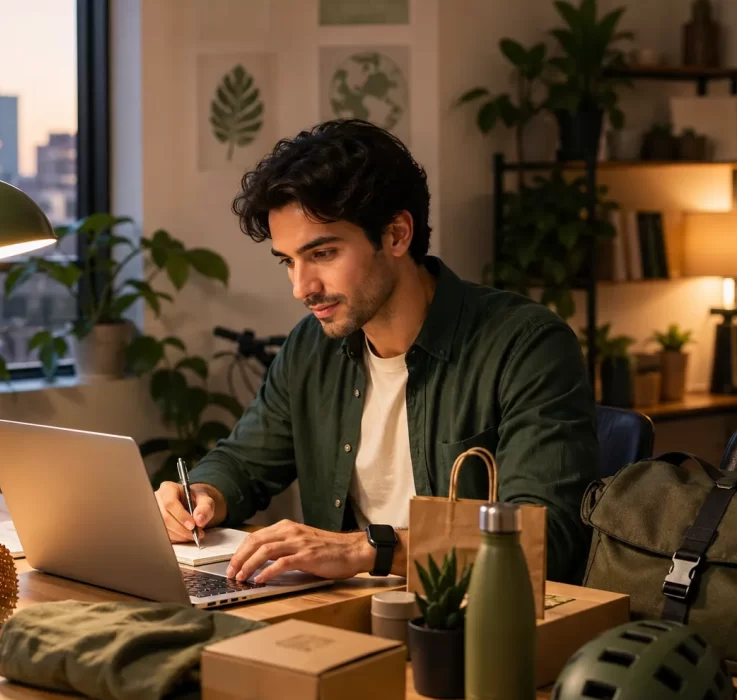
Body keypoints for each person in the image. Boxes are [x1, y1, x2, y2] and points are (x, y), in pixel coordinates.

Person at [154, 119, 599, 585]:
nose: (301, 288)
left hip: (463, 625)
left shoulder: (526, 345)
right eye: (289, 262)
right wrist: (201, 495)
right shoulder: (311, 347)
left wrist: (366, 549)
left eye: (322, 254)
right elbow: (244, 463)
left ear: (396, 235)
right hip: (340, 610)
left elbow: (545, 537)